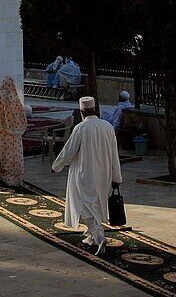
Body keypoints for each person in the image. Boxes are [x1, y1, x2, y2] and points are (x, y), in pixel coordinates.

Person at [51, 96, 123, 256]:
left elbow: (68, 152)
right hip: (104, 174)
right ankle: (92, 235)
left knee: (83, 206)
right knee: (96, 205)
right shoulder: (107, 127)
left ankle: (99, 236)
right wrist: (116, 178)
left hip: (84, 174)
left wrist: (56, 166)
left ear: (82, 111)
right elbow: (114, 154)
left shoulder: (81, 128)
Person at [0, 76, 28, 186]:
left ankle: (1, 176)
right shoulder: (15, 98)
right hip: (14, 134)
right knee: (14, 155)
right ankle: (15, 179)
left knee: (1, 155)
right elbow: (21, 115)